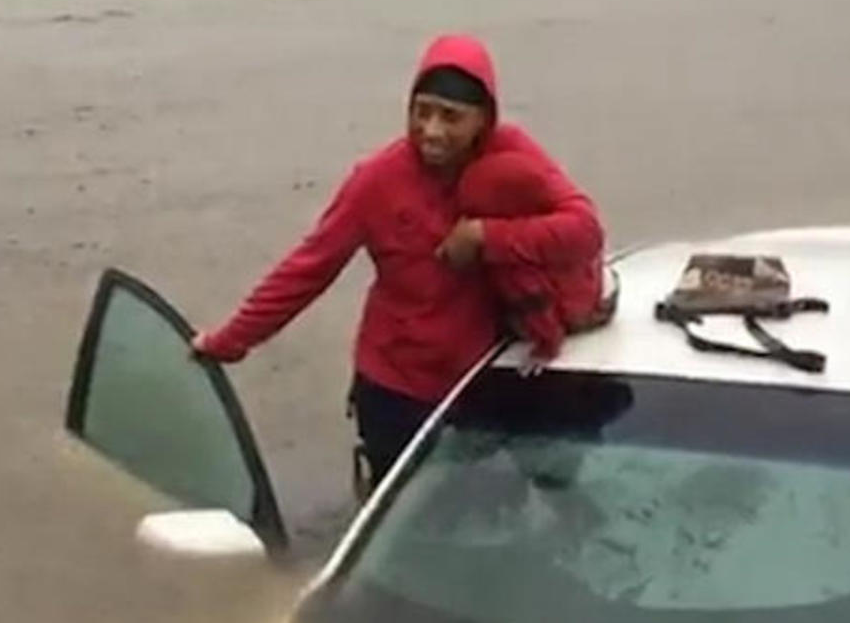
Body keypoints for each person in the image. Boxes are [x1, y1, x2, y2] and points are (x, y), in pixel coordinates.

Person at [192, 34, 604, 486]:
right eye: (420, 111)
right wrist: (230, 340)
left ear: (484, 120)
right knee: (409, 532)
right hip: (398, 389)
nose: (431, 130)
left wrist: (488, 236)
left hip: (488, 377)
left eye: (451, 117)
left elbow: (584, 228)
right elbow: (307, 269)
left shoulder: (512, 155)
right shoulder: (377, 182)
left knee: (513, 507)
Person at [456, 151, 607, 373]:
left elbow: (534, 303)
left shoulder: (513, 264)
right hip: (587, 301)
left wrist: (546, 347)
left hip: (561, 319)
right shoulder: (550, 234)